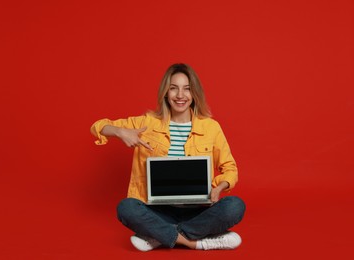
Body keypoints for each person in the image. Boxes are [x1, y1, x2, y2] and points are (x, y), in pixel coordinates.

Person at [90, 63, 246, 251]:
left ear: (194, 93)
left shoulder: (211, 127)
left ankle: (159, 236)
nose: (180, 95)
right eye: (173, 88)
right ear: (166, 92)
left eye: (187, 89)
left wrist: (219, 187)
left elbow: (230, 168)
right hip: (158, 211)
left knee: (235, 206)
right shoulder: (147, 123)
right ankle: (196, 242)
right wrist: (121, 132)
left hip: (198, 212)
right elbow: (98, 127)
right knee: (126, 208)